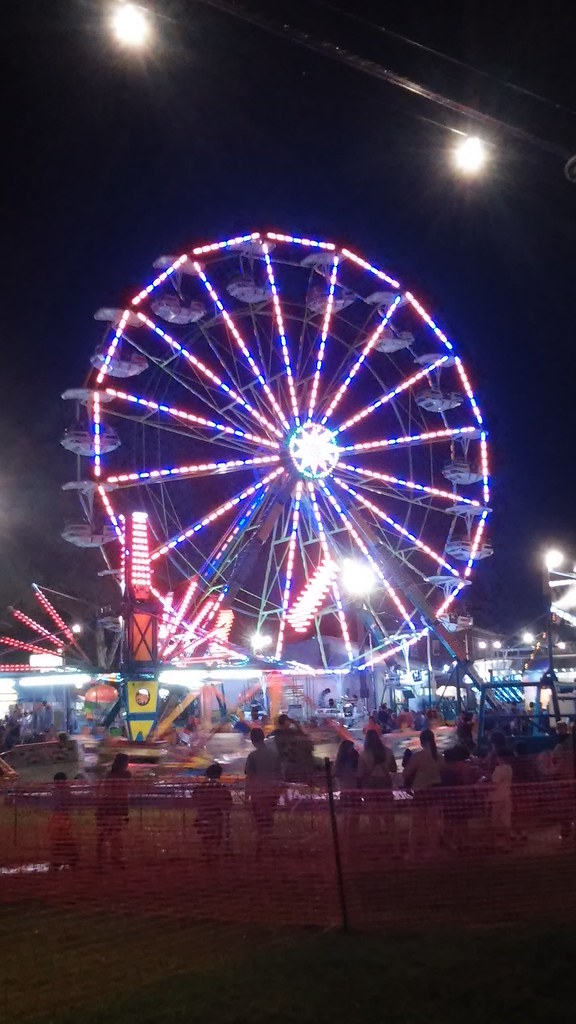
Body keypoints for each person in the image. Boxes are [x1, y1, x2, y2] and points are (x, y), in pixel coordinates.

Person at [404, 729, 443, 858]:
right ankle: (434, 851)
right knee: (433, 825)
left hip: (421, 793)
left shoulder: (418, 756)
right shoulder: (439, 757)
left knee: (415, 824)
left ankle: (412, 852)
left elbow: (406, 773)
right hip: (436, 792)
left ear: (421, 741)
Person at [245, 728, 281, 854]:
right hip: (272, 793)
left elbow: (250, 777)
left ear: (252, 740)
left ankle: (260, 846)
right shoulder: (275, 755)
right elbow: (280, 775)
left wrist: (246, 796)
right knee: (269, 819)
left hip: (258, 794)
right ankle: (269, 845)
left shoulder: (252, 757)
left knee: (260, 820)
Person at [96, 752, 131, 870]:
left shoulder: (108, 775)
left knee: (104, 836)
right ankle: (116, 859)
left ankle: (101, 861)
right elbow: (124, 794)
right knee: (116, 835)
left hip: (105, 808)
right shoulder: (126, 775)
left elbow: (103, 792)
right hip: (116, 808)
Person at [192, 762, 233, 859]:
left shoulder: (200, 787)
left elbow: (194, 798)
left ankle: (207, 853)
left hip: (203, 814)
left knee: (206, 837)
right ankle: (212, 854)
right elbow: (228, 802)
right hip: (216, 816)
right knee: (216, 837)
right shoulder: (221, 787)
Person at [49, 772, 78, 871]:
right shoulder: (59, 791)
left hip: (63, 817)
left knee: (64, 840)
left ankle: (70, 859)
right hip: (59, 816)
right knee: (60, 840)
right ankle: (60, 860)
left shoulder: (63, 792)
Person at [490, 747, 513, 850]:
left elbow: (494, 783)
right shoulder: (510, 768)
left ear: (500, 758)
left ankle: (497, 842)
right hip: (507, 796)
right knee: (506, 821)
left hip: (497, 798)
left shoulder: (498, 769)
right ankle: (507, 844)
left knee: (494, 820)